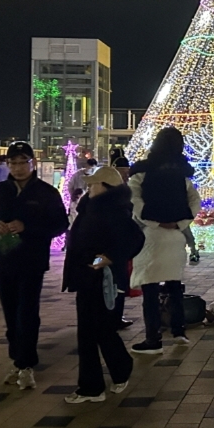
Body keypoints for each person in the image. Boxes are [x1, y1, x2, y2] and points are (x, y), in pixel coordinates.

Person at [0, 142, 68, 390]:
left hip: (32, 261)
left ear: (32, 163)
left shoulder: (46, 193)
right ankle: (18, 358)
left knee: (27, 312)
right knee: (10, 313)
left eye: (22, 162)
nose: (17, 167)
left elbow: (60, 224)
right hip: (3, 261)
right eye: (12, 163)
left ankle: (25, 364)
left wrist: (28, 227)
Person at [61, 166, 144, 403]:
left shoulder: (114, 209)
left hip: (101, 278)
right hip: (86, 276)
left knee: (98, 330)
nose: (89, 188)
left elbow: (133, 240)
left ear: (107, 187)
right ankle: (109, 375)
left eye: (93, 184)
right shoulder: (90, 207)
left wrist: (101, 261)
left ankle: (95, 385)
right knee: (92, 331)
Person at [128, 127, 201, 353]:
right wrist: (180, 223)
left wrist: (152, 221)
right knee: (174, 284)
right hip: (175, 236)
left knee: (150, 289)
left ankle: (153, 338)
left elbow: (134, 199)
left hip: (151, 236)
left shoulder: (143, 170)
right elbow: (194, 201)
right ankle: (179, 331)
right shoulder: (182, 172)